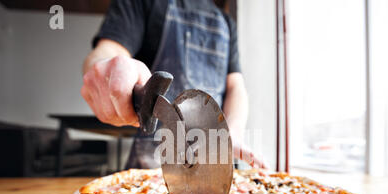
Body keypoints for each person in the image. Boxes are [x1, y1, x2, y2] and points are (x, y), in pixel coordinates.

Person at [81, 0, 267, 169]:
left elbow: (236, 87)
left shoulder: (226, 23)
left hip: (215, 165)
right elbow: (108, 50)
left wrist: (232, 134)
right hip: (150, 170)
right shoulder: (139, 3)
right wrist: (107, 69)